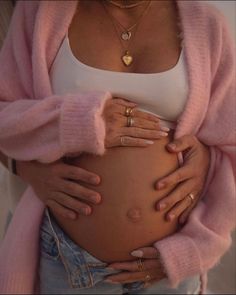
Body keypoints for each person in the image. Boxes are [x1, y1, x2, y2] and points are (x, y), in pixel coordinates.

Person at [0, 0, 235, 294]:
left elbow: (230, 142)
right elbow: (5, 114)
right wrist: (77, 123)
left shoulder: (207, 25)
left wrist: (208, 161)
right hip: (70, 261)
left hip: (167, 268)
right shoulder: (41, 13)